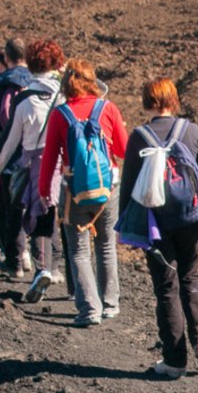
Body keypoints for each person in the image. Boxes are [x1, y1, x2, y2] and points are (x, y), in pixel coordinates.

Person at [122, 77, 198, 377]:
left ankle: (175, 360)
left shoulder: (139, 137)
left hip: (155, 223)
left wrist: (125, 227)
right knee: (191, 275)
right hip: (190, 216)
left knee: (166, 286)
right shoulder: (191, 131)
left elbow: (127, 187)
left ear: (147, 101)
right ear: (173, 100)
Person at [38, 58, 126, 324]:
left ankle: (89, 310)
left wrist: (44, 191)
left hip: (74, 191)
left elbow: (50, 158)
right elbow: (123, 149)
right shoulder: (108, 109)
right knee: (106, 245)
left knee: (78, 251)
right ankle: (110, 303)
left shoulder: (59, 114)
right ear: (92, 82)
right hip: (108, 189)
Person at [0, 39, 66, 287]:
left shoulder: (25, 100)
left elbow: (9, 142)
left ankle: (43, 268)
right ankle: (59, 271)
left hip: (34, 164)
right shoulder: (63, 96)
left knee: (38, 213)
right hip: (63, 166)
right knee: (57, 216)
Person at [0, 39, 35, 271]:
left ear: (6, 59)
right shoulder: (37, 84)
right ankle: (39, 260)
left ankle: (14, 260)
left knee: (6, 210)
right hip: (34, 155)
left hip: (7, 158)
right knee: (34, 208)